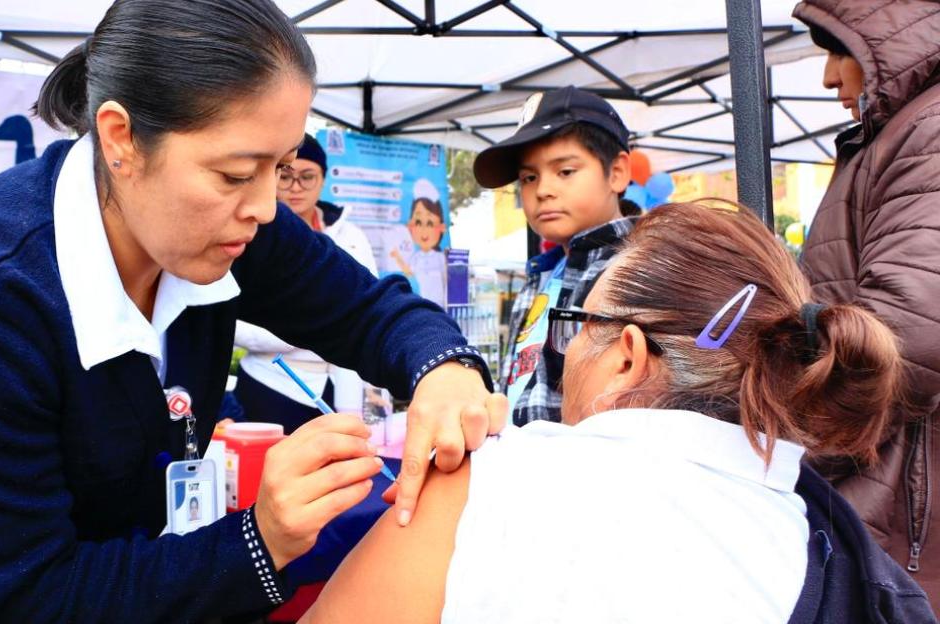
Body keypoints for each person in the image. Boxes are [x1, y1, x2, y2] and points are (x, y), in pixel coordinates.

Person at [0, 1, 504, 622]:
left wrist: (444, 371)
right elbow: (35, 596)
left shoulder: (238, 224)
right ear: (119, 138)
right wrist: (262, 540)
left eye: (281, 170)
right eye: (237, 173)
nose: (263, 207)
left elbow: (373, 313)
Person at [306, 202, 935, 623]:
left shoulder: (486, 485)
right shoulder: (813, 538)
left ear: (627, 357)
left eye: (579, 325)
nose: (570, 348)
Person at [792, 0, 940, 603]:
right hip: (885, 501)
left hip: (901, 516)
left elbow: (908, 333)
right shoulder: (899, 134)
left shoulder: (928, 129)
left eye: (838, 48)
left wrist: (783, 433)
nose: (829, 76)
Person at [474, 86, 636, 424]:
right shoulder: (543, 275)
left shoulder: (636, 267)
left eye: (565, 172)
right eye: (529, 178)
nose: (543, 190)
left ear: (617, 172)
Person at [232, 134, 377, 431]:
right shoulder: (245, 230)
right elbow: (227, 317)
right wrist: (310, 327)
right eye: (286, 176)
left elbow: (370, 305)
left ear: (323, 179)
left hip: (338, 388)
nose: (296, 188)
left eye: (307, 177)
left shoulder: (351, 236)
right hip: (272, 383)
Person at [390, 184, 448, 308]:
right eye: (418, 222)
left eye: (430, 223)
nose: (424, 230)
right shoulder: (416, 258)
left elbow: (448, 280)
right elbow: (409, 273)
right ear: (410, 226)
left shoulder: (440, 257)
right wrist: (397, 258)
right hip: (422, 305)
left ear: (442, 227)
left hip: (441, 307)